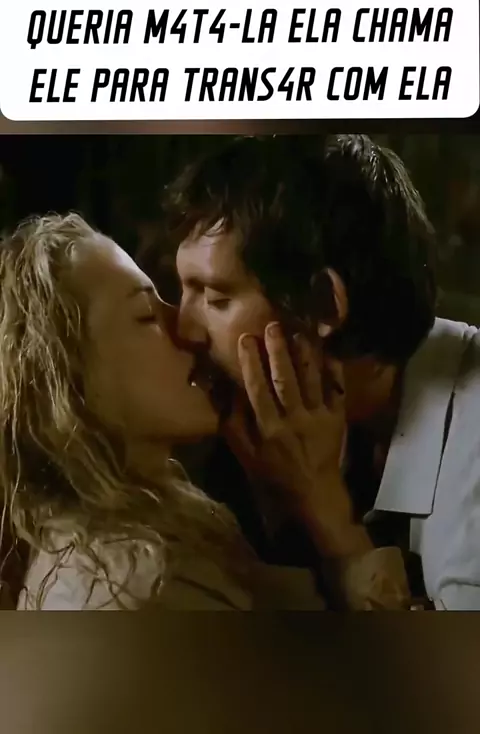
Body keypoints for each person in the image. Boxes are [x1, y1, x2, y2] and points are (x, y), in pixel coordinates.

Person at [0, 212, 408, 610]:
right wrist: (332, 518)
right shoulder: (142, 586)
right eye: (146, 315)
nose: (185, 328)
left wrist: (304, 498)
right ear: (67, 382)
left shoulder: (166, 523)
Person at [164, 134, 480, 611]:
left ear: (323, 304)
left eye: (215, 297)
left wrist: (325, 509)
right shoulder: (324, 423)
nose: (185, 329)